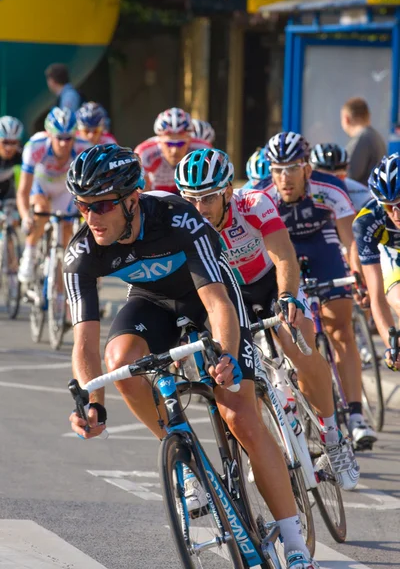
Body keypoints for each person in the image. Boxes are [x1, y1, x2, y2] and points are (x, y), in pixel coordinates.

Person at [64, 143, 320, 569]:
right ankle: (179, 452)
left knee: (240, 416)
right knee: (120, 362)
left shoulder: (177, 218)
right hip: (151, 300)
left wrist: (227, 356)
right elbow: (84, 343)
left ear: (132, 199)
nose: (91, 218)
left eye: (103, 205)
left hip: (207, 296)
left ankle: (294, 543)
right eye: (82, 206)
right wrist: (92, 404)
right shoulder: (82, 252)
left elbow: (219, 305)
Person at [175, 146, 360, 490]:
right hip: (231, 297)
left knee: (298, 344)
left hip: (271, 283)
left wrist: (289, 296)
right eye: (191, 199)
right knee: (237, 373)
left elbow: (284, 256)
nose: (199, 209)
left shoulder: (253, 204)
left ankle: (334, 438)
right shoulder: (183, 223)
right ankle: (263, 448)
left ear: (228, 191)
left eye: (208, 198)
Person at [255, 131, 377, 449]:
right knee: (292, 333)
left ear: (307, 168)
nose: (284, 177)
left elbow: (350, 241)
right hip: (283, 250)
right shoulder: (261, 195)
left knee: (340, 327)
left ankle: (355, 415)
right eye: (277, 169)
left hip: (322, 244)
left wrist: (357, 276)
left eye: (292, 168)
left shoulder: (330, 187)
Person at [17, 107, 89, 283]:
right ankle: (30, 251)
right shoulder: (35, 146)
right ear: (49, 135)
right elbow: (23, 191)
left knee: (67, 226)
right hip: (41, 183)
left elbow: (88, 188)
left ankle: (59, 281)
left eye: (68, 138)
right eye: (59, 138)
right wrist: (26, 216)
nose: (64, 143)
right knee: (41, 209)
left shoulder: (83, 147)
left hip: (64, 186)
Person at [353, 153, 400, 370]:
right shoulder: (367, 221)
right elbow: (377, 296)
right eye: (389, 206)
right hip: (392, 254)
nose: (396, 214)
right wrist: (392, 346)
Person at [134, 107, 209, 193]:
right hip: (155, 193)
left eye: (181, 144)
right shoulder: (145, 152)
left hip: (186, 193)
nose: (174, 150)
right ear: (159, 140)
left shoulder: (202, 148)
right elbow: (142, 193)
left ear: (189, 140)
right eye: (169, 144)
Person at [310, 143, 371, 213]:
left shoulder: (361, 192)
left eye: (338, 177)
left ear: (347, 169)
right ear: (309, 171)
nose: (332, 183)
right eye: (325, 178)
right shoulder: (301, 191)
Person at [340, 97, 386, 186]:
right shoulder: (376, 136)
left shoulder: (362, 139)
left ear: (346, 119)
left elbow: (350, 175)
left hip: (363, 197)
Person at [0, 116, 24, 201]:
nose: (9, 148)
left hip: (14, 202)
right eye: (5, 142)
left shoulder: (23, 154)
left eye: (13, 143)